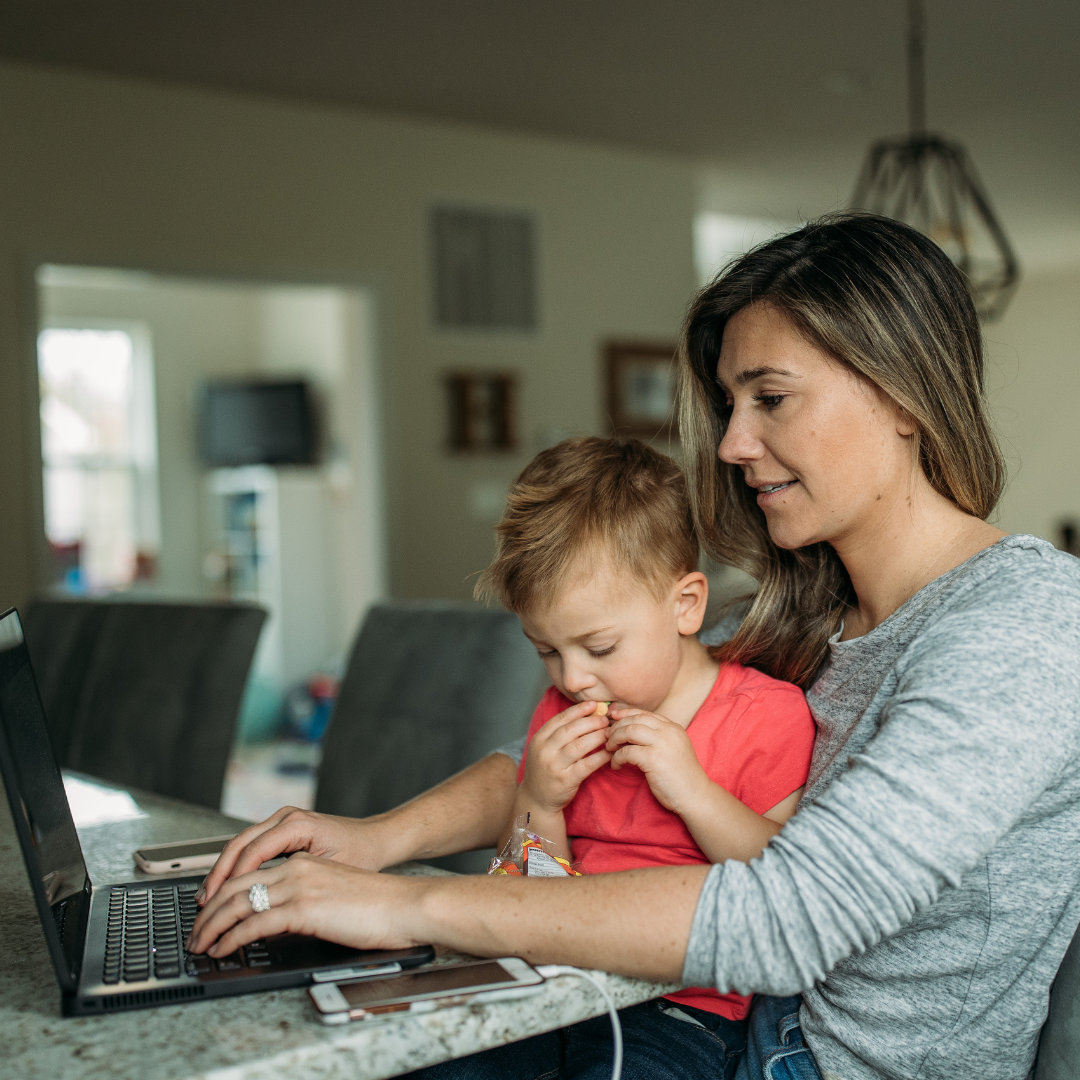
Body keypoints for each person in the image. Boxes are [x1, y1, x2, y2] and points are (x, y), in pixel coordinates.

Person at [190, 211, 1080, 1080]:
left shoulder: (1023, 621)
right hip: (663, 1007)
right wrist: (371, 843)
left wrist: (408, 904)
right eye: (731, 404)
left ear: (903, 395)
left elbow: (791, 913)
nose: (732, 444)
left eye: (770, 398)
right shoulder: (782, 612)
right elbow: (552, 753)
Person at [456, 434, 813, 1078]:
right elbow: (528, 895)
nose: (573, 680)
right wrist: (537, 800)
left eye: (598, 647)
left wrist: (694, 791)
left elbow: (783, 882)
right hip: (555, 985)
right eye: (547, 651)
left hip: (682, 1009)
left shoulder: (766, 715)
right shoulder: (558, 714)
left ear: (685, 605)